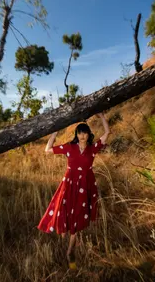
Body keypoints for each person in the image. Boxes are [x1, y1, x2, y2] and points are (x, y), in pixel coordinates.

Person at [37, 112, 110, 269]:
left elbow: (107, 133)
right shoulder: (69, 147)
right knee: (64, 210)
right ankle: (63, 233)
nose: (82, 135)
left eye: (85, 133)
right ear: (76, 134)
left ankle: (70, 251)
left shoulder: (92, 148)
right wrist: (55, 131)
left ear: (88, 134)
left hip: (86, 185)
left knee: (77, 215)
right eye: (80, 132)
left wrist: (102, 117)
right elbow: (47, 150)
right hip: (69, 184)